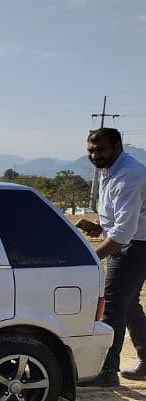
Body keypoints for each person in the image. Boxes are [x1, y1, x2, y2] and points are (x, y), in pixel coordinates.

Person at [77, 128, 146, 386]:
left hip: (136, 245)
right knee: (127, 305)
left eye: (100, 149)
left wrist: (91, 259)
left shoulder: (129, 174)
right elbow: (124, 216)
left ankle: (106, 372)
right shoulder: (111, 170)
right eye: (90, 150)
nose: (94, 155)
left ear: (117, 147)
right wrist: (100, 224)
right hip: (132, 241)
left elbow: (124, 233)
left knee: (113, 304)